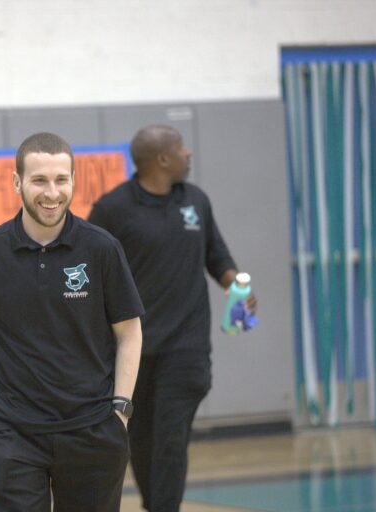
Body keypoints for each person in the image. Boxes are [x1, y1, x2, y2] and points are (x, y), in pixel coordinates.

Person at [0, 132, 144, 512]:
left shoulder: (102, 248)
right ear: (16, 182)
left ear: (74, 180)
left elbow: (129, 332)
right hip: (14, 434)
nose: (52, 193)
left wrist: (120, 410)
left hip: (92, 430)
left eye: (61, 180)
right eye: (39, 180)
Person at [88, 124, 257, 512]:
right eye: (182, 147)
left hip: (187, 348)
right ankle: (157, 504)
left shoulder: (196, 201)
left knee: (170, 439)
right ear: (163, 158)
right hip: (133, 349)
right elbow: (91, 271)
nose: (189, 153)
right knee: (140, 440)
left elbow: (217, 256)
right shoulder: (113, 209)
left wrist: (237, 286)